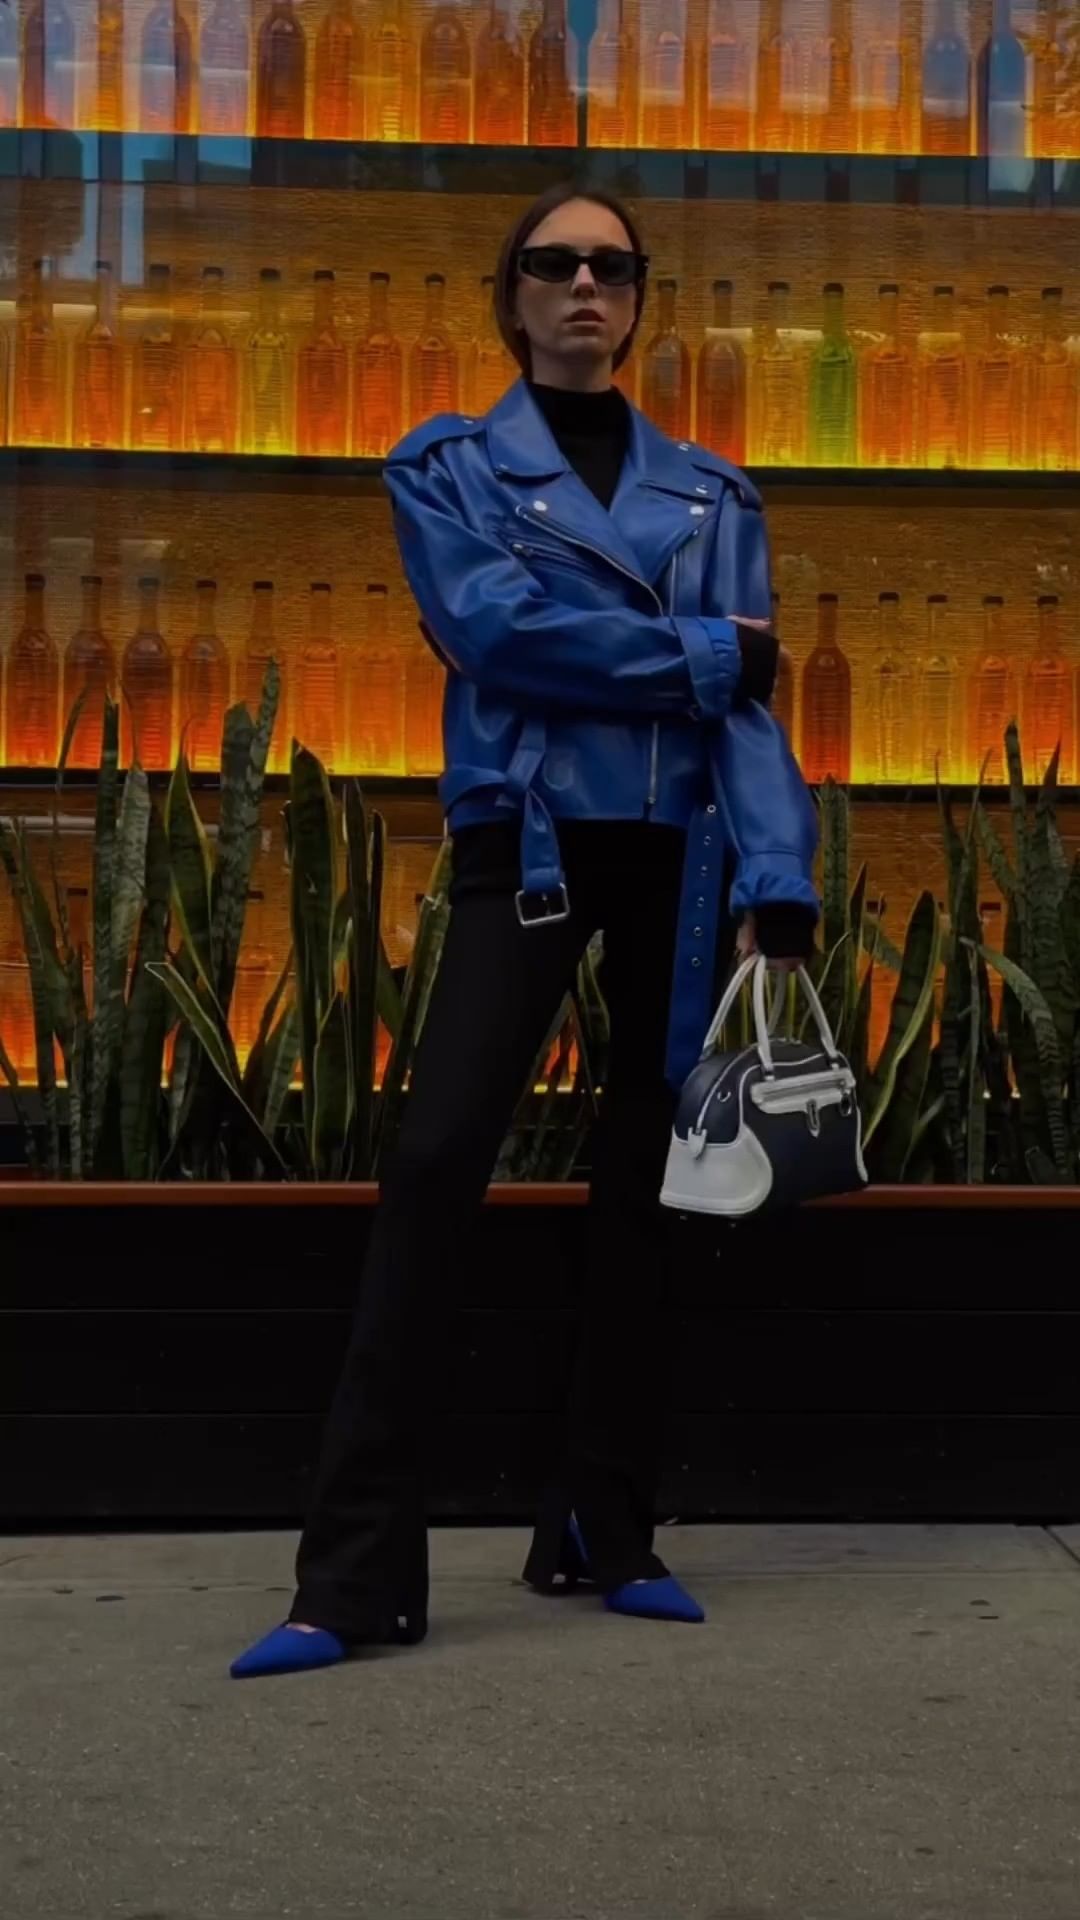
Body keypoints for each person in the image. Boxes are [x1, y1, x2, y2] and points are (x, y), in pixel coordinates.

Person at [232, 184, 819, 1680]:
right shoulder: (448, 469)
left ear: (638, 301)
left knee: (652, 1187)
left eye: (610, 266)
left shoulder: (716, 494)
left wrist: (782, 876)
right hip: (533, 843)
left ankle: (603, 1531)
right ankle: (352, 1577)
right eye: (554, 264)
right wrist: (707, 651)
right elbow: (496, 632)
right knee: (437, 1160)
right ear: (513, 297)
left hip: (689, 856)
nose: (582, 286)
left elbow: (749, 718)